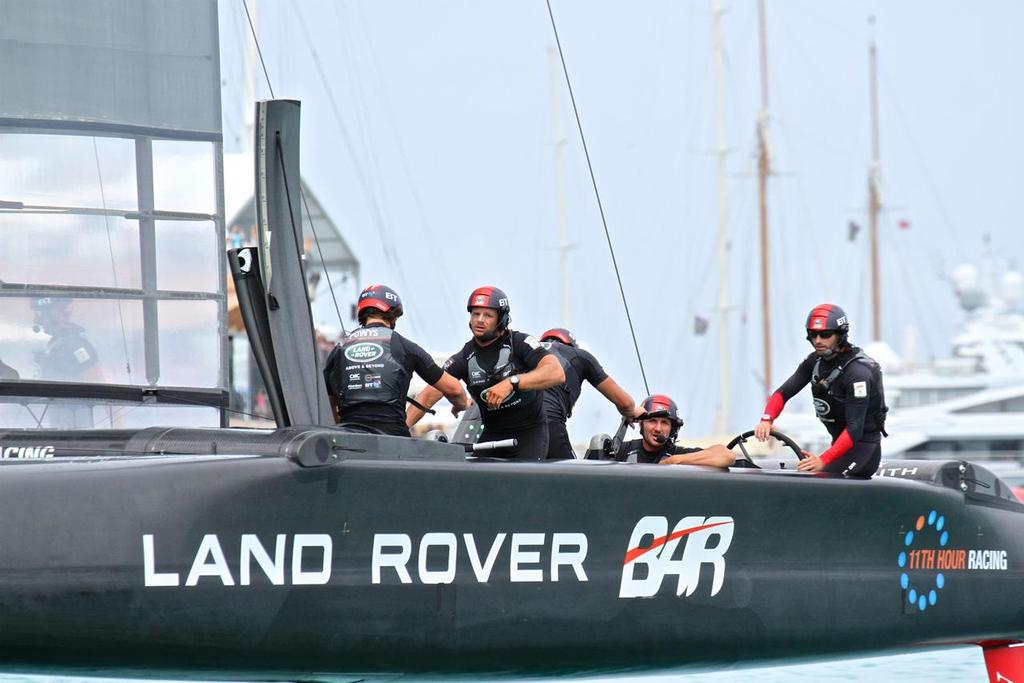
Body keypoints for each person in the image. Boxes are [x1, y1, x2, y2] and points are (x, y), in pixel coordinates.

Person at [408, 286, 565, 459]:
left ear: (502, 318)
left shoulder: (520, 343)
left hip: (529, 434)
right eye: (475, 314)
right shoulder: (464, 357)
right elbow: (427, 396)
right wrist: (396, 431)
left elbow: (556, 373)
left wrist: (511, 382)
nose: (480, 320)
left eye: (488, 315)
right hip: (493, 434)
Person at [753, 303, 887, 476]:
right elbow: (782, 393)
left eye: (825, 335)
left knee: (817, 480)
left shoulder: (857, 373)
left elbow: (854, 429)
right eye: (813, 334)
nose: (818, 340)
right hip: (838, 448)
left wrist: (823, 460)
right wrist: (766, 419)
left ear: (840, 335)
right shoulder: (814, 361)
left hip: (863, 451)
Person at [323, 284, 467, 437]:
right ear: (393, 315)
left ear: (362, 313)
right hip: (393, 441)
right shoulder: (404, 346)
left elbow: (329, 402)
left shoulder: (339, 349)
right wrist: (459, 405)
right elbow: (455, 390)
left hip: (349, 441)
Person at [538, 327, 642, 459]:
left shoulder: (525, 351)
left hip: (510, 423)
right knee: (572, 478)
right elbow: (626, 404)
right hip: (548, 422)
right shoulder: (578, 355)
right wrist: (630, 412)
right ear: (572, 345)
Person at [615, 394, 735, 466]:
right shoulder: (623, 450)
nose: (658, 428)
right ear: (641, 424)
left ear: (672, 429)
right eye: (652, 421)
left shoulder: (678, 454)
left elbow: (727, 456)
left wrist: (673, 461)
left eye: (664, 423)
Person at [31, 297, 102, 383]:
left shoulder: (76, 345)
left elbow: (96, 383)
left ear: (55, 313)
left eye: (39, 314)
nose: (36, 320)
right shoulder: (55, 343)